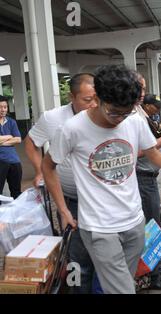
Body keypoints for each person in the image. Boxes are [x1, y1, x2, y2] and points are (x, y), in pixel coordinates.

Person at [41, 65, 161, 294]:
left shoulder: (134, 120)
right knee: (123, 290)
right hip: (99, 227)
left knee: (123, 281)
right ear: (97, 98)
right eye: (114, 112)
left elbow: (153, 154)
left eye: (125, 113)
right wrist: (64, 210)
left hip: (134, 223)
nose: (119, 119)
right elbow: (47, 166)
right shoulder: (72, 129)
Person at [24, 73, 97, 294]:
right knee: (77, 256)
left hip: (101, 200)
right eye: (87, 99)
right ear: (71, 96)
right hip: (71, 200)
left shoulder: (103, 115)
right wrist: (40, 171)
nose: (93, 104)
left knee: (104, 255)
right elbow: (31, 142)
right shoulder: (53, 118)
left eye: (97, 98)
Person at [135, 76, 161, 290]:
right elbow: (138, 151)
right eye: (139, 88)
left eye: (144, 88)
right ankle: (154, 276)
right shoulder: (130, 116)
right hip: (142, 178)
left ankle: (149, 273)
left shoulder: (138, 113)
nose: (143, 92)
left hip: (146, 177)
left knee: (152, 224)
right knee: (152, 225)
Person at [0, 95, 22, 199]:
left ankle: (16, 214)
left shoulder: (12, 122)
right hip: (1, 161)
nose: (3, 110)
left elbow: (18, 139)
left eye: (5, 107)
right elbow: (14, 138)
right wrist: (9, 136)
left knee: (16, 193)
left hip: (14, 161)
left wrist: (2, 141)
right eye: (0, 107)